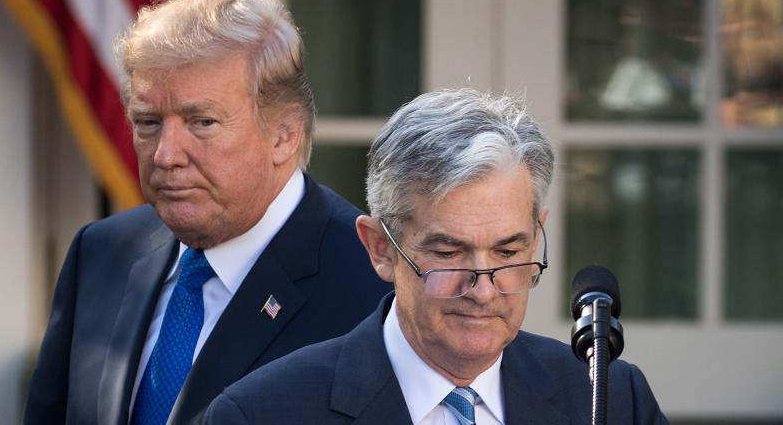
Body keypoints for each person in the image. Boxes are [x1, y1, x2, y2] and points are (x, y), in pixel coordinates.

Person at [23, 0, 391, 425]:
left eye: (203, 123)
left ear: (285, 135)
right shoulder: (100, 252)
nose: (165, 155)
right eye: (148, 123)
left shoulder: (376, 283)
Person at [203, 89, 669, 424]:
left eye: (508, 251)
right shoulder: (262, 413)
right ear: (380, 248)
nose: (484, 289)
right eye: (449, 252)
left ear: (536, 236)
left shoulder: (608, 399)